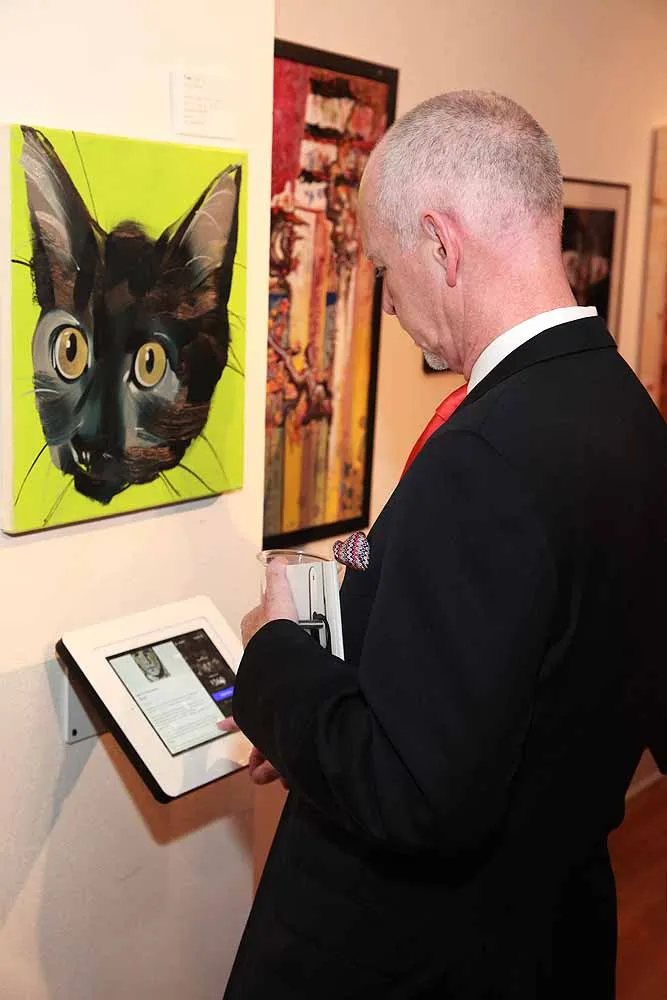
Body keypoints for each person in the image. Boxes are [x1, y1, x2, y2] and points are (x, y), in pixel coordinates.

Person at [222, 91, 667, 999]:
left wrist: (272, 660)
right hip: (548, 935)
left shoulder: (486, 454)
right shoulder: (627, 412)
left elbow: (414, 792)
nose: (388, 302)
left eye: (386, 269)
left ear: (440, 243)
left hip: (418, 956)